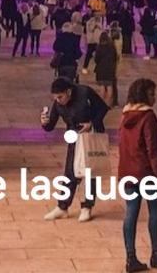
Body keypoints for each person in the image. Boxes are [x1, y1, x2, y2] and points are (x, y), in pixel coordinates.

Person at [118, 78, 157, 271]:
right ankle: (156, 254)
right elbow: (153, 148)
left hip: (127, 172)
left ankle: (130, 257)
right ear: (143, 95)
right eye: (152, 93)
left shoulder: (125, 115)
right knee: (154, 212)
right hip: (146, 172)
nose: (154, 97)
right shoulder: (148, 116)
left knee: (131, 213)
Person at [41, 77, 109, 222]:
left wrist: (92, 123)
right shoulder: (58, 104)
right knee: (70, 171)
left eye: (60, 97)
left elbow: (103, 108)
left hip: (91, 135)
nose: (58, 100)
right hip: (74, 136)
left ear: (69, 92)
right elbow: (50, 126)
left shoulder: (85, 92)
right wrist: (44, 122)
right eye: (55, 98)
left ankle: (87, 207)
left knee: (90, 172)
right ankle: (62, 206)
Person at [93, 32, 118, 106]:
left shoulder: (99, 47)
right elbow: (115, 57)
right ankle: (109, 103)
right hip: (110, 69)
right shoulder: (112, 46)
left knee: (102, 86)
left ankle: (102, 103)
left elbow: (96, 59)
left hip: (101, 69)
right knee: (110, 86)